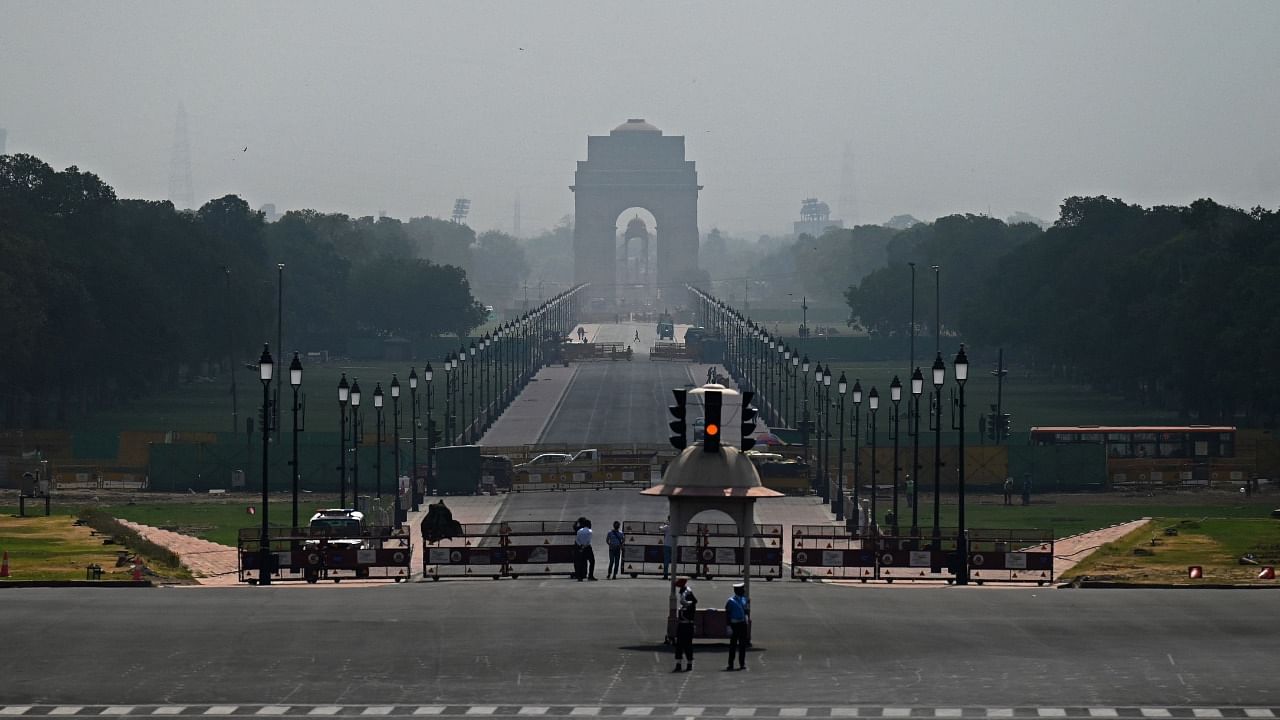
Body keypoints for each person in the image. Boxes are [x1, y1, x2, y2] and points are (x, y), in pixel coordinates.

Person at [725, 582, 750, 671]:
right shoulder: (730, 601)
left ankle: (742, 664)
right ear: (737, 591)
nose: (743, 591)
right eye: (742, 589)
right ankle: (730, 664)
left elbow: (746, 610)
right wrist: (728, 626)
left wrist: (746, 618)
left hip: (742, 624)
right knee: (733, 645)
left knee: (742, 645)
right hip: (734, 624)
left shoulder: (745, 599)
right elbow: (727, 614)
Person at [673, 577, 697, 672]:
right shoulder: (685, 605)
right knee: (679, 645)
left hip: (687, 625)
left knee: (687, 645)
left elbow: (687, 614)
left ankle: (689, 663)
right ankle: (678, 663)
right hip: (682, 625)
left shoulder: (690, 606)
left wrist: (686, 605)